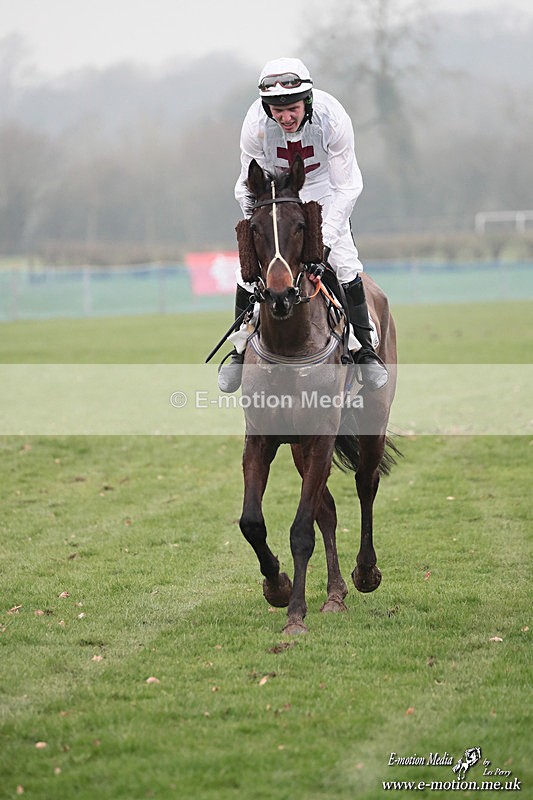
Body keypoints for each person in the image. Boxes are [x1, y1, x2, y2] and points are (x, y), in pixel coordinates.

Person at [218, 56, 388, 393]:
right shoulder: (255, 124)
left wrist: (321, 245)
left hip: (327, 190)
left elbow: (348, 186)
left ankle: (364, 350)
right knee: (248, 271)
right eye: (277, 110)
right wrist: (260, 227)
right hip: (278, 194)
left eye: (292, 107)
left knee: (343, 263)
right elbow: (246, 184)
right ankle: (239, 350)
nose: (285, 116)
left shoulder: (333, 117)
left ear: (307, 101)